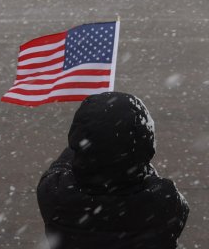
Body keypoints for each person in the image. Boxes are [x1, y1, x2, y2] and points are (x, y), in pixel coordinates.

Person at [37, 92, 189, 248]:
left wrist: (90, 142)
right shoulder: (164, 200)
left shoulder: (53, 193)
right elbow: (181, 208)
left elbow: (62, 163)